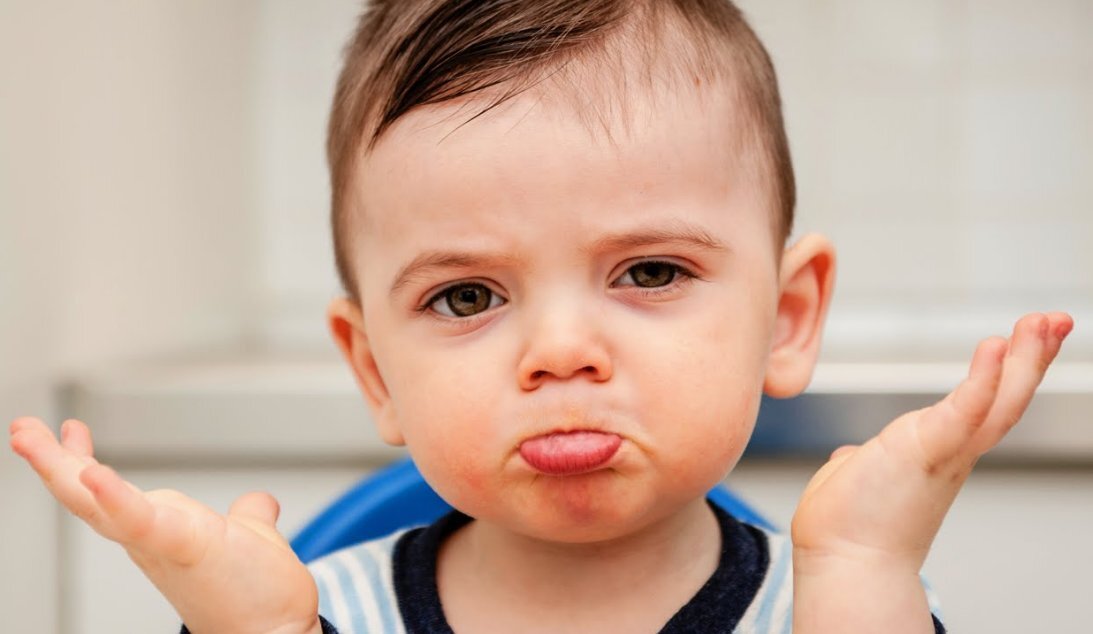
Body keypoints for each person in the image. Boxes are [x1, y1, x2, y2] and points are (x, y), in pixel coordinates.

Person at [8, 1, 1075, 632]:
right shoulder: (315, 610)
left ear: (787, 317)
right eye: (467, 296)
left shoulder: (835, 600)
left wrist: (865, 571)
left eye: (648, 271)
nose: (561, 352)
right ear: (374, 371)